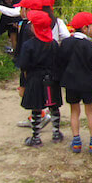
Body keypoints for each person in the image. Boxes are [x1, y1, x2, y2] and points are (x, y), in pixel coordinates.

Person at [59, 12, 92, 153]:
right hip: (88, 83)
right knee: (90, 112)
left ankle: (76, 141)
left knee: (74, 111)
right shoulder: (91, 47)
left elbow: (61, 62)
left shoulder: (65, 43)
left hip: (71, 82)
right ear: (85, 28)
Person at [17, 9, 60, 147]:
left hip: (35, 79)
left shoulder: (28, 45)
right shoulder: (53, 44)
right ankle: (56, 132)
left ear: (34, 27)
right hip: (51, 79)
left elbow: (23, 65)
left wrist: (23, 83)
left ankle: (36, 137)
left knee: (36, 108)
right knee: (53, 105)